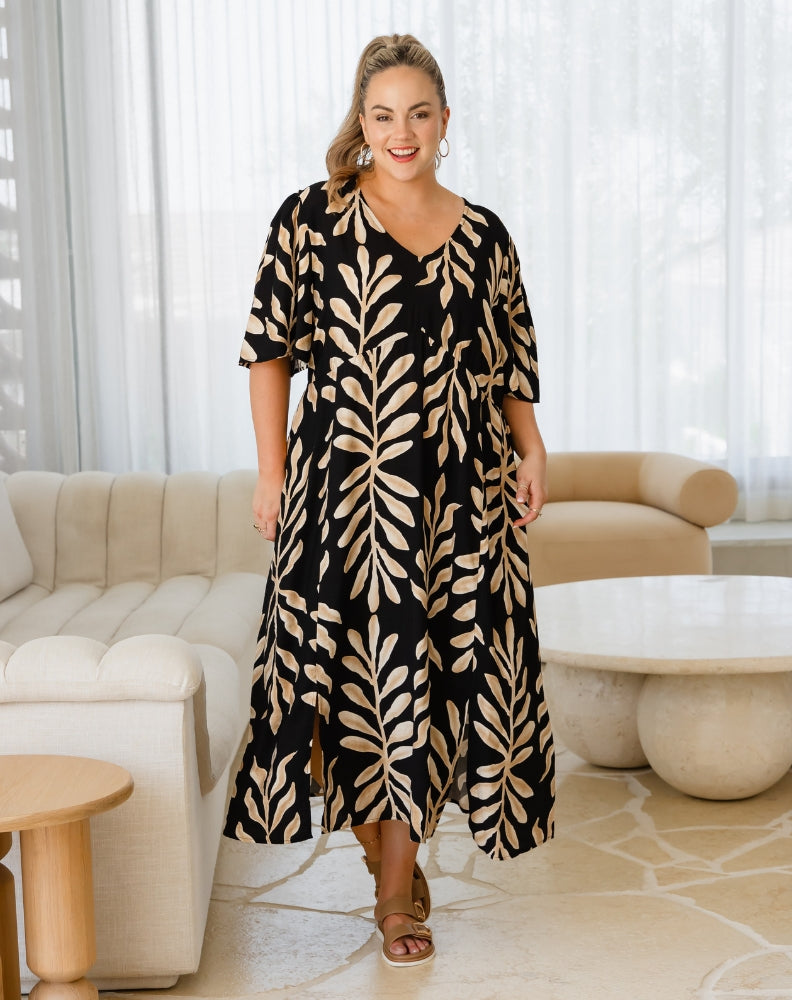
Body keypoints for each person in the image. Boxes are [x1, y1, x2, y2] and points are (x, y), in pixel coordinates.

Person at [224, 33, 555, 968]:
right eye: (382, 115)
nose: (401, 132)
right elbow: (268, 351)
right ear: (361, 123)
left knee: (441, 688)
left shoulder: (486, 234)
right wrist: (271, 469)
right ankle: (393, 872)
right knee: (348, 691)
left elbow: (513, 363)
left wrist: (531, 447)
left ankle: (395, 889)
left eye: (418, 114)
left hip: (460, 498)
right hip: (342, 494)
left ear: (445, 123)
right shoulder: (310, 218)